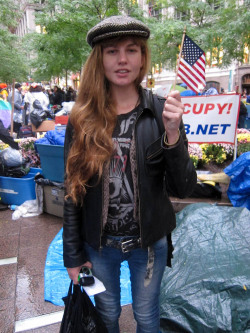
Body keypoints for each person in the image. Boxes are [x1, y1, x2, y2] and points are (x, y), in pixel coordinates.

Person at [63, 15, 197, 333]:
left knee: (147, 318)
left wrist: (174, 136)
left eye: (132, 49)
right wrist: (73, 257)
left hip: (149, 245)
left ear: (142, 58)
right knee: (105, 316)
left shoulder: (161, 112)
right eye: (112, 51)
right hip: (98, 247)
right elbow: (72, 189)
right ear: (100, 59)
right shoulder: (81, 118)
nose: (123, 59)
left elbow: (183, 186)